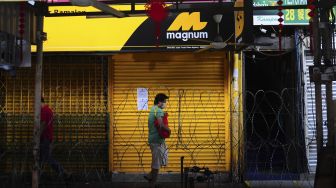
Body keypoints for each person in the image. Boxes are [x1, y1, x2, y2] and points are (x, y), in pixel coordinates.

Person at [40, 97, 70, 179]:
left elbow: (43, 123)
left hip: (45, 137)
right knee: (41, 157)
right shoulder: (48, 110)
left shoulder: (44, 110)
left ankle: (63, 172)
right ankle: (38, 175)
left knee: (47, 157)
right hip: (48, 137)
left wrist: (37, 135)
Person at [144, 93, 171, 188]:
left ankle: (149, 176)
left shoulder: (153, 109)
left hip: (154, 140)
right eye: (164, 101)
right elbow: (160, 124)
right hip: (156, 141)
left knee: (158, 161)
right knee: (156, 165)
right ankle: (152, 184)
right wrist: (168, 130)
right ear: (160, 102)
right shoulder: (158, 110)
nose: (165, 103)